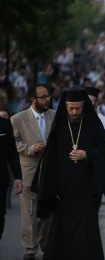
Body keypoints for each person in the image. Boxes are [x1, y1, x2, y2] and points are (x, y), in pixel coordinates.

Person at [33, 87, 105, 260]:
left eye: (78, 107)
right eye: (71, 108)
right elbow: (50, 160)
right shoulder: (60, 127)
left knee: (86, 232)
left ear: (84, 106)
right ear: (65, 106)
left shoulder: (93, 125)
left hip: (86, 190)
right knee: (62, 231)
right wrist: (51, 189)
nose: (75, 112)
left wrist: (87, 155)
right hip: (64, 192)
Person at [10, 85, 55, 259]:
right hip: (29, 171)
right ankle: (29, 249)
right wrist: (30, 148)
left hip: (49, 172)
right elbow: (13, 143)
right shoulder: (18, 119)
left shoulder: (54, 115)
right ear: (33, 99)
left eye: (48, 96)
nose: (47, 99)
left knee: (46, 211)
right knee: (29, 212)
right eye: (43, 97)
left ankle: (45, 243)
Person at [0, 116, 22, 240]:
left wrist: (18, 177)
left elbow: (12, 152)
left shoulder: (5, 124)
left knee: (0, 217)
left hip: (1, 180)